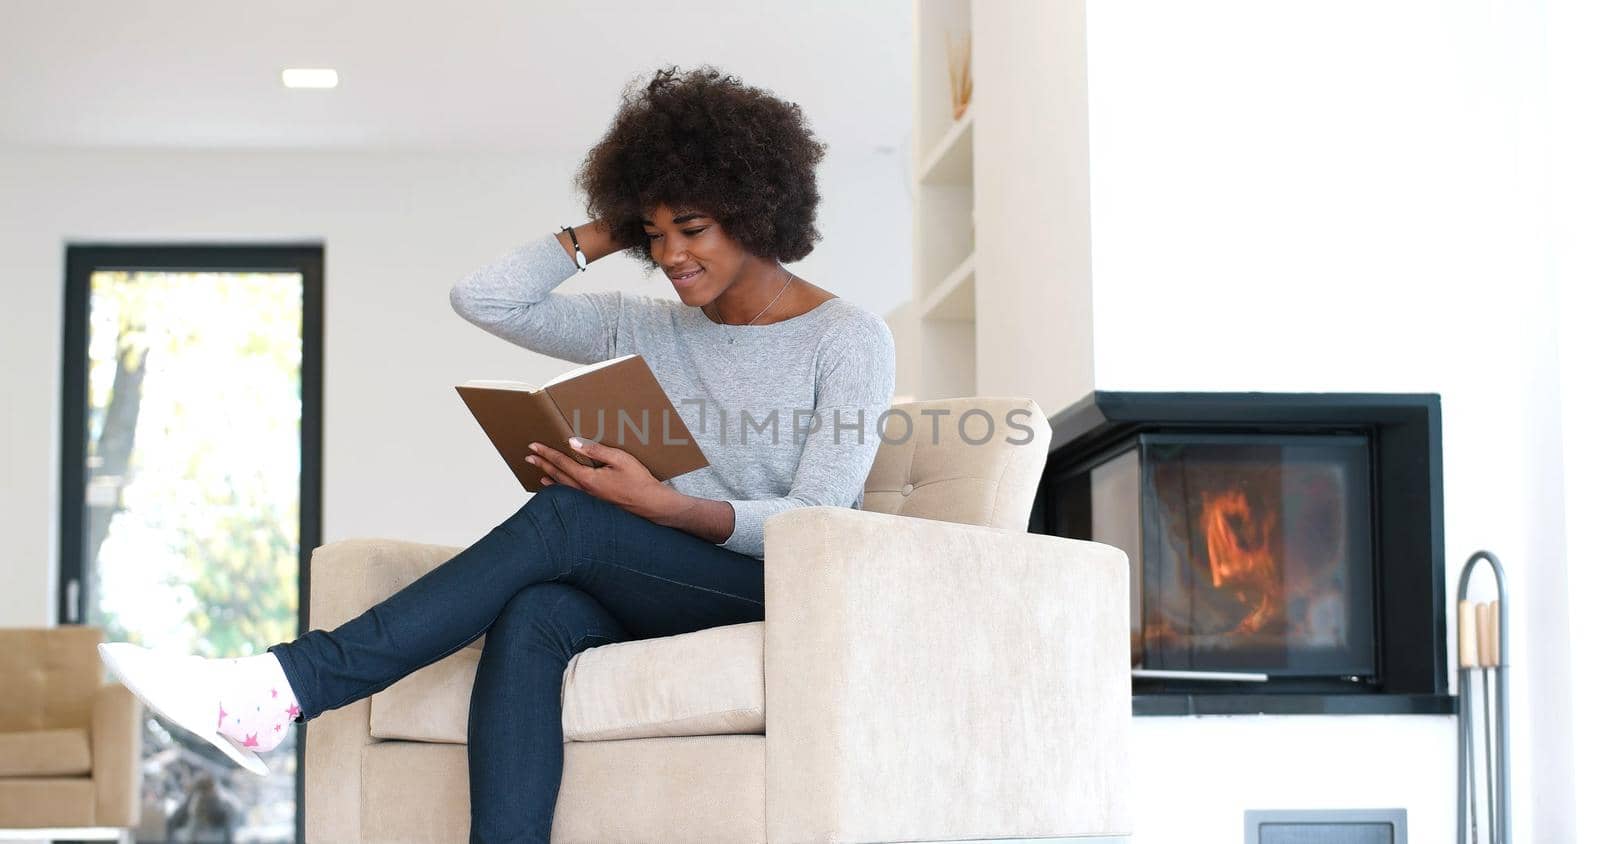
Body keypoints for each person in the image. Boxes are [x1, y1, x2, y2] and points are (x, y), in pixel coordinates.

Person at [98, 64, 896, 843]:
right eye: (654, 235)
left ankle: (285, 685)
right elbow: (484, 297)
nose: (674, 254)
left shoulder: (846, 338)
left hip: (779, 589)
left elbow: (815, 520)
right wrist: (609, 226)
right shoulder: (646, 324)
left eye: (693, 227)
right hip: (663, 573)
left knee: (568, 519)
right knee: (534, 614)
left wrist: (660, 505)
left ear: (756, 212)